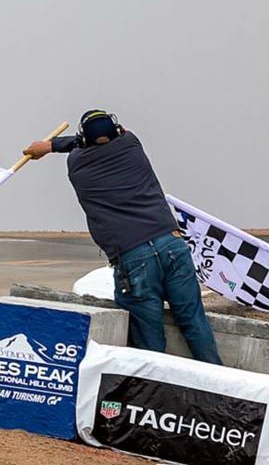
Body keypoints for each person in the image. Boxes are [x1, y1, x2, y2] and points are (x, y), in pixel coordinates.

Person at [23, 110, 222, 365]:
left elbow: (78, 144)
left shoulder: (77, 166)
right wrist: (53, 145)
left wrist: (48, 146)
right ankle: (219, 380)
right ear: (117, 131)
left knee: (150, 343)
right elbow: (101, 137)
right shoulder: (132, 145)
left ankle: (156, 391)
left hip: (133, 257)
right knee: (194, 323)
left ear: (84, 140)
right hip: (171, 243)